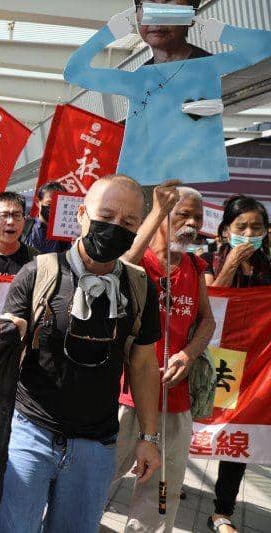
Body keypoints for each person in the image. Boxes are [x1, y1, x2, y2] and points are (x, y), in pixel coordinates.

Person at [0, 175, 162, 533]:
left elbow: (144, 365)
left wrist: (149, 438)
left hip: (96, 445)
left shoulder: (139, 287)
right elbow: (6, 342)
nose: (115, 227)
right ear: (82, 215)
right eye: (107, 215)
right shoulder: (40, 273)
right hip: (30, 433)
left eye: (128, 222)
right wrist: (13, 330)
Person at [65, 2, 271, 184]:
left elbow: (265, 44)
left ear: (190, 15)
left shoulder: (206, 66)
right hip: (141, 180)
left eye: (169, 10)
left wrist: (220, 31)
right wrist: (108, 33)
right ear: (137, 18)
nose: (157, 21)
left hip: (197, 178)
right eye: (148, 9)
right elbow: (74, 71)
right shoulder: (139, 78)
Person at [115, 184, 215, 532]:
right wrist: (157, 209)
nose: (191, 224)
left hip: (175, 400)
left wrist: (188, 355)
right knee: (103, 475)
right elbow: (122, 263)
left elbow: (207, 321)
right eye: (183, 214)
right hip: (126, 396)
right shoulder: (141, 260)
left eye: (197, 218)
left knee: (163, 488)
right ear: (161, 217)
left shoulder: (193, 265)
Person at [204, 195, 270, 533]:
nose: (249, 233)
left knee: (238, 429)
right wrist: (230, 264)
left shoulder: (268, 268)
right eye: (241, 227)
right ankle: (165, 483)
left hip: (254, 366)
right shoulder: (204, 261)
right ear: (226, 231)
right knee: (190, 422)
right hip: (213, 358)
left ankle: (222, 511)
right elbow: (210, 300)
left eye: (256, 227)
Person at [23, 181, 72, 253]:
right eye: (50, 203)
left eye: (59, 204)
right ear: (37, 202)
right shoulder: (23, 228)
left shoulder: (68, 234)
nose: (55, 208)